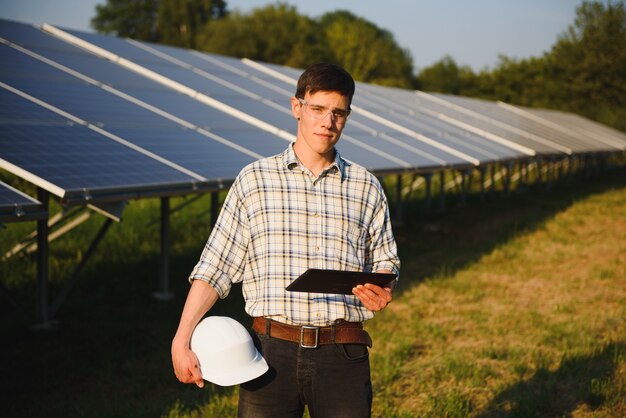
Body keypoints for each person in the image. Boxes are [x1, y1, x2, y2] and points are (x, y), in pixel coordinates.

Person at [172, 62, 400, 417]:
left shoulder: (365, 186)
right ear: (297, 107)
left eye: (339, 113)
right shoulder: (254, 181)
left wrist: (384, 289)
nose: (328, 122)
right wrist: (181, 338)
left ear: (348, 116)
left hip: (343, 351)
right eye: (318, 109)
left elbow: (386, 261)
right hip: (268, 352)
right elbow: (215, 267)